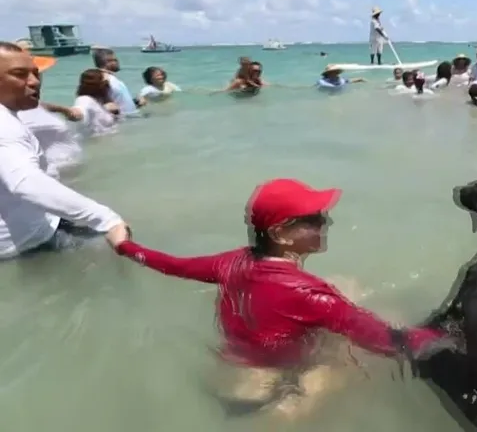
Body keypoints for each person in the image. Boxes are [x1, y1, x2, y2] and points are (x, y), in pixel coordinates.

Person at [107, 178, 440, 418]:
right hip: (278, 398)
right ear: (280, 233)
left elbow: (171, 265)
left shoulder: (230, 262)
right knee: (357, 349)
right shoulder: (312, 295)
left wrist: (124, 246)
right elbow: (389, 340)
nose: (326, 222)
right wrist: (446, 336)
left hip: (228, 378)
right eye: (313, 219)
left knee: (344, 285)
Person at [0, 41, 128, 260]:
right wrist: (107, 219)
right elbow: (25, 182)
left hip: (39, 223)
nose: (34, 82)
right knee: (119, 253)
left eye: (35, 74)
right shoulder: (4, 124)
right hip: (31, 242)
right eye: (19, 74)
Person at [92, 48, 143, 116]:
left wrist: (135, 103)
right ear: (107, 61)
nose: (118, 62)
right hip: (121, 123)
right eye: (115, 60)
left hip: (130, 120)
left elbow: (117, 102)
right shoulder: (103, 80)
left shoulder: (114, 80)